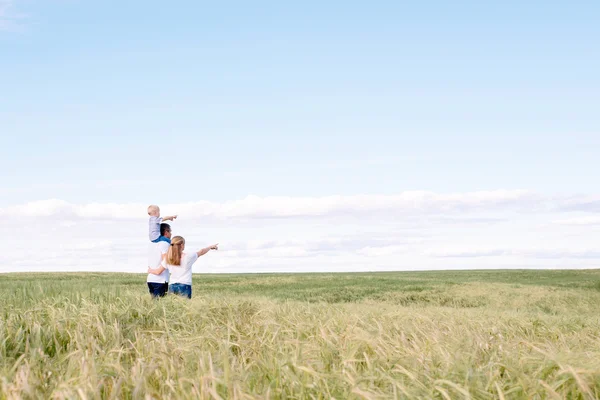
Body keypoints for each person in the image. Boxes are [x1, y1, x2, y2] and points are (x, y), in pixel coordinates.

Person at [147, 236, 218, 299]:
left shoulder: (168, 259)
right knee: (184, 309)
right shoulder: (189, 256)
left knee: (173, 309)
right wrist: (210, 247)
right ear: (181, 245)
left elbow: (158, 271)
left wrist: (150, 270)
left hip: (172, 286)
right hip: (185, 285)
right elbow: (201, 251)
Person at [147, 223, 172, 298]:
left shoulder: (153, 244)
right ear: (166, 232)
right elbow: (165, 261)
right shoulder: (165, 244)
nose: (171, 234)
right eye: (170, 231)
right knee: (160, 306)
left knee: (154, 306)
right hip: (160, 280)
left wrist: (151, 271)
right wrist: (157, 271)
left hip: (151, 279)